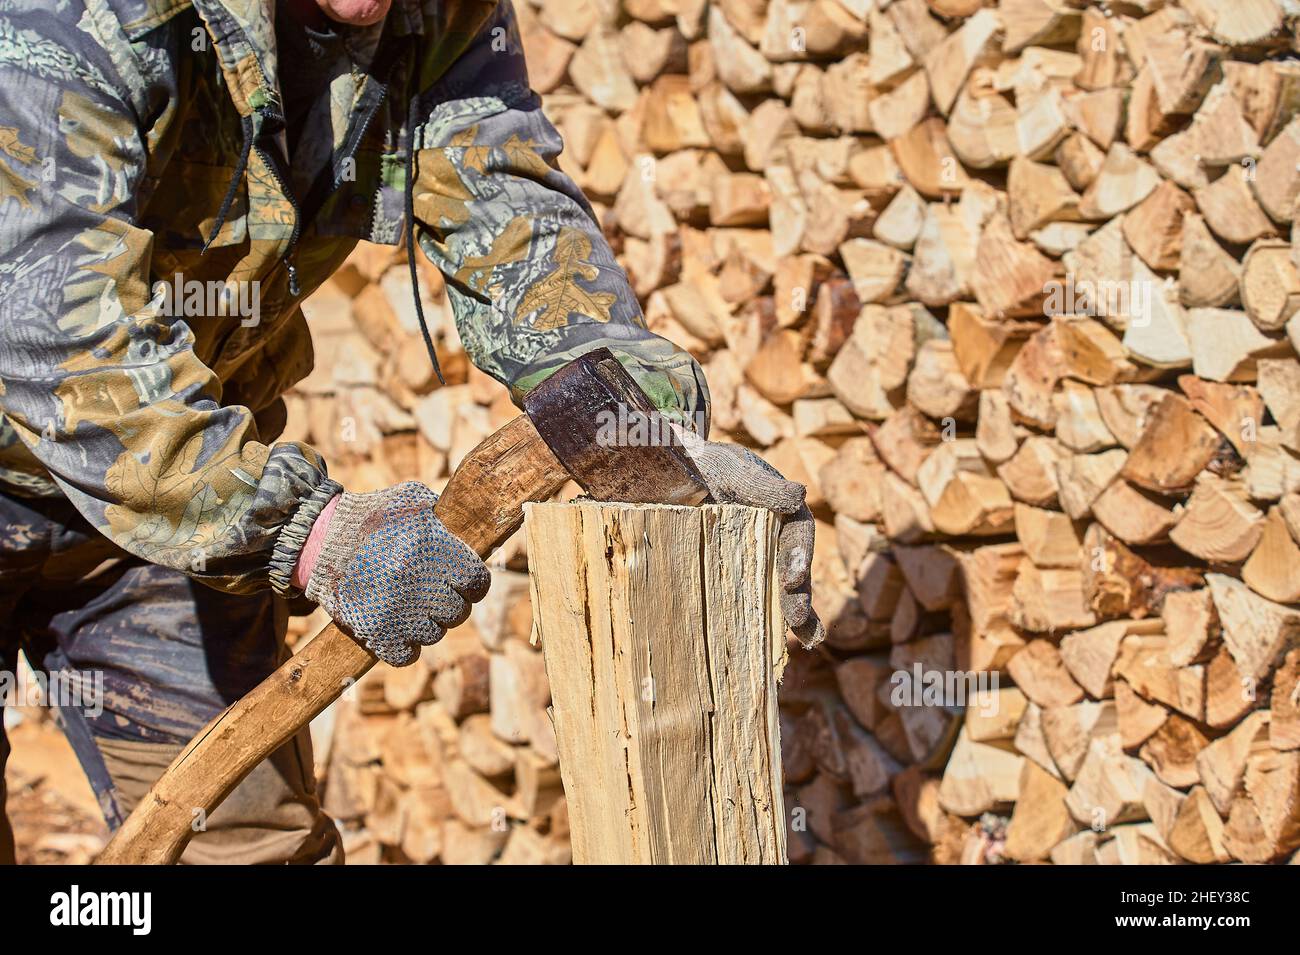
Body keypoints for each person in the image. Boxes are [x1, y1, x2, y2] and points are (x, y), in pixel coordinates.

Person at [0, 0, 822, 864]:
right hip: (137, 451)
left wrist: (646, 439)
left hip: (166, 521)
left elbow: (513, 220)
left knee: (247, 848)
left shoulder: (440, 11)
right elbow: (47, 334)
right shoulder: (80, 16)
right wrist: (309, 534)